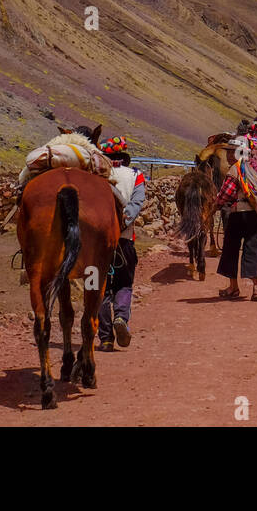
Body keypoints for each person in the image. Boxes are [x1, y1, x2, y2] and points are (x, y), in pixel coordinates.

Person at [98, 136, 145, 351]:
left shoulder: (95, 176)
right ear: (125, 157)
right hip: (124, 241)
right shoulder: (136, 175)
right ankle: (121, 318)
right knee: (124, 284)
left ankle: (105, 338)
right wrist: (124, 221)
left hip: (95, 246)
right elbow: (136, 203)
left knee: (97, 288)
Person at [212, 158, 257, 301]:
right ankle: (256, 288)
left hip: (238, 213)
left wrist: (217, 204)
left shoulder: (235, 169)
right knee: (252, 247)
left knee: (230, 248)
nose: (227, 156)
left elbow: (226, 193)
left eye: (230, 152)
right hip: (254, 213)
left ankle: (233, 287)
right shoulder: (254, 167)